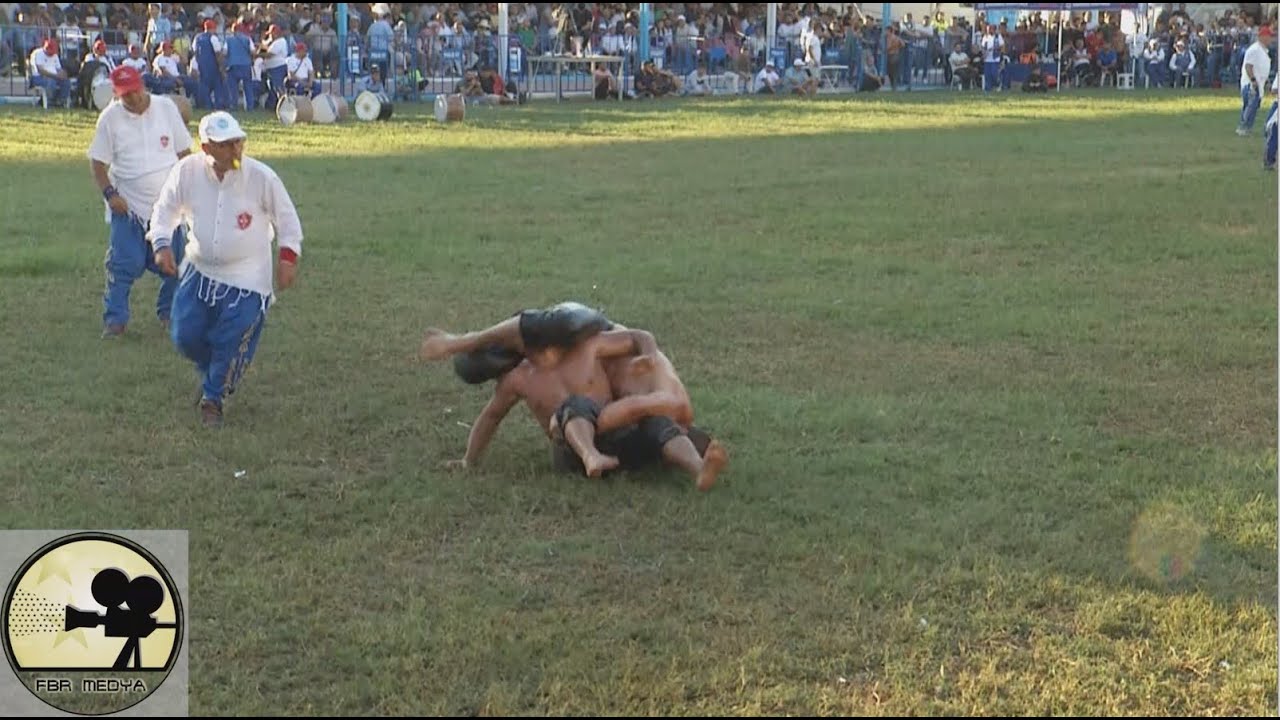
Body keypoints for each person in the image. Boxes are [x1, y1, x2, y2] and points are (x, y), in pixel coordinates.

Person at [146, 112, 304, 428]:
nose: (235, 151)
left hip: (247, 276)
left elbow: (287, 220)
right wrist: (162, 245)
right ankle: (215, 374)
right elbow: (164, 211)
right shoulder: (186, 172)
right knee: (184, 336)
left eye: (238, 142)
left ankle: (213, 398)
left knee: (231, 337)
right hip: (200, 268)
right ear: (206, 149)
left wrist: (288, 259)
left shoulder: (261, 177)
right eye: (226, 145)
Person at [444, 328, 727, 491]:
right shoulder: (518, 379)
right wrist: (469, 460)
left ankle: (699, 469)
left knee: (656, 421)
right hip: (573, 458)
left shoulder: (589, 346)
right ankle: (591, 456)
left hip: (618, 440)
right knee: (575, 405)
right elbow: (491, 416)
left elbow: (638, 336)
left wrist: (648, 356)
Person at [88, 65, 194, 339]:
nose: (132, 99)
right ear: (116, 94)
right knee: (124, 264)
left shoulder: (166, 109)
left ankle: (168, 312)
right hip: (129, 205)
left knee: (176, 263)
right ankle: (115, 319)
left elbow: (185, 152)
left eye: (135, 92)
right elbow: (97, 163)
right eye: (125, 95)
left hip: (168, 204)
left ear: (143, 86)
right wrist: (111, 194)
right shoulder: (109, 119)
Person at [1237, 26, 1274, 137]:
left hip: (1259, 83)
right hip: (1251, 84)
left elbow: (1261, 68)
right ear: (1263, 37)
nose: (1271, 39)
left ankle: (1247, 127)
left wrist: (1266, 82)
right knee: (1250, 107)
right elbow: (1249, 66)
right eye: (1269, 37)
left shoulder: (1263, 51)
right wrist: (1253, 80)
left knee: (1253, 106)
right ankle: (1244, 128)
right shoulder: (1254, 49)